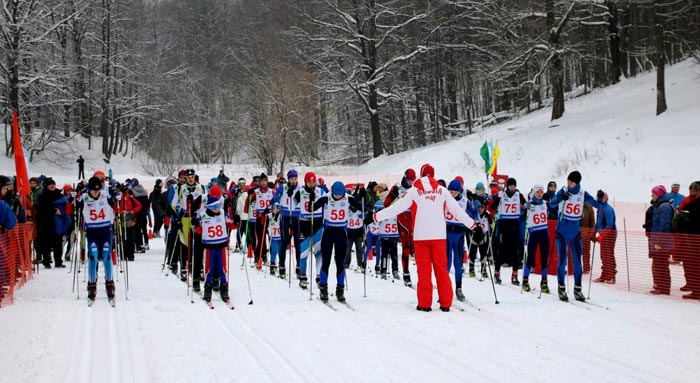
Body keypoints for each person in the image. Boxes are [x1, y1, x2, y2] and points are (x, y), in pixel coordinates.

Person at [373, 163, 476, 312]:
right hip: (439, 236)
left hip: (421, 237)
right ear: (433, 175)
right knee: (441, 270)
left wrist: (376, 216)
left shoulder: (414, 191)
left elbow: (397, 208)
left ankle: (424, 304)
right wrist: (473, 225)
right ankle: (446, 303)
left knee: (424, 271)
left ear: (421, 175)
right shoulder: (442, 190)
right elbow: (457, 211)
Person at [548, 171, 599, 302]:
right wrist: (560, 198)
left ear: (577, 183)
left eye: (571, 182)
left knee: (577, 262)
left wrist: (601, 198)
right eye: (568, 181)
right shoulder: (563, 191)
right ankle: (561, 288)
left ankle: (577, 289)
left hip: (575, 232)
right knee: (562, 261)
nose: (568, 184)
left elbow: (596, 204)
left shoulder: (582, 193)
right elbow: (552, 204)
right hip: (562, 231)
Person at [310, 181, 362, 302]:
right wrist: (311, 200)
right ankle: (323, 288)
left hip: (341, 234)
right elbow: (310, 209)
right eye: (336, 195)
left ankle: (340, 290)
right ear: (332, 191)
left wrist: (362, 197)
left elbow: (363, 207)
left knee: (340, 262)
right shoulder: (326, 197)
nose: (338, 197)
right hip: (328, 232)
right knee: (326, 261)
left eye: (341, 195)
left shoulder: (348, 198)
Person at [78, 177, 116, 304]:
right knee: (93, 256)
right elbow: (73, 205)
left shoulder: (105, 195)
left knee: (107, 256)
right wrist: (73, 197)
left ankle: (109, 283)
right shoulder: (84, 197)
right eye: (93, 190)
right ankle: (92, 284)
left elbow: (115, 203)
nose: (96, 193)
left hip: (105, 230)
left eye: (98, 190)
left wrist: (118, 198)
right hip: (92, 231)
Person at [171, 169, 206, 292]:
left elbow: (205, 203)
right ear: (185, 178)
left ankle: (200, 269)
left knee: (199, 245)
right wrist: (177, 217)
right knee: (185, 244)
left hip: (197, 218)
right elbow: (174, 204)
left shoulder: (201, 187)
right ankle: (184, 270)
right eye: (188, 177)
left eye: (192, 176)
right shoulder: (181, 188)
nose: (191, 179)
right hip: (186, 218)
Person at [489, 177, 527, 285]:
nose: (512, 188)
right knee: (501, 249)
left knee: (515, 250)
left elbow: (526, 204)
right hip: (503, 223)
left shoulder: (518, 195)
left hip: (514, 224)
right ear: (507, 186)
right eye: (510, 186)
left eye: (514, 186)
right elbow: (493, 206)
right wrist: (497, 198)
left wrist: (527, 206)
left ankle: (514, 275)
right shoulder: (502, 194)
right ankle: (497, 273)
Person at [384, 169, 416, 287]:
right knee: (406, 248)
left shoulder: (415, 188)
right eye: (408, 180)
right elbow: (386, 203)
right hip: (402, 220)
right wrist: (394, 202)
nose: (410, 183)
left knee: (417, 249)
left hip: (413, 220)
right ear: (404, 177)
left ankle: (422, 274)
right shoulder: (397, 188)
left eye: (413, 180)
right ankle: (406, 274)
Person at [196, 193, 231, 303]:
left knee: (222, 269)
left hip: (221, 246)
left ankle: (224, 290)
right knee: (209, 269)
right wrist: (194, 224)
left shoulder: (223, 214)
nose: (216, 209)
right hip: (209, 246)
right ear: (209, 207)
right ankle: (208, 290)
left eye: (218, 206)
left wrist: (237, 220)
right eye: (214, 207)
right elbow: (198, 229)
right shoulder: (203, 215)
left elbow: (232, 224)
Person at [292, 172, 325, 288]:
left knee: (319, 252)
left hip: (317, 224)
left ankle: (319, 276)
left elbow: (327, 203)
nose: (311, 184)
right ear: (305, 181)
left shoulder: (320, 192)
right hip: (305, 224)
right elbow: (293, 205)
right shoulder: (300, 192)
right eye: (309, 182)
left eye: (313, 182)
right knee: (303, 253)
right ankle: (303, 276)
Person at [445, 179, 471, 301]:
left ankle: (459, 288)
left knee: (458, 264)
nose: (452, 195)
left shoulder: (465, 202)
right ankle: (444, 289)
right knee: (446, 263)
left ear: (459, 192)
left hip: (459, 236)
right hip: (447, 235)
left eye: (454, 192)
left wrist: (477, 207)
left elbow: (474, 214)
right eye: (450, 192)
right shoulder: (445, 200)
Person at [522, 184, 550, 293]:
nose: (539, 194)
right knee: (530, 258)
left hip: (543, 233)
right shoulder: (529, 204)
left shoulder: (545, 203)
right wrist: (525, 208)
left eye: (541, 192)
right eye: (537, 192)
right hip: (533, 234)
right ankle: (525, 280)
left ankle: (544, 281)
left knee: (544, 258)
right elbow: (522, 213)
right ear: (534, 192)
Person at [648, 185, 675, 295]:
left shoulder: (665, 207)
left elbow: (663, 226)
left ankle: (664, 288)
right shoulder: (658, 205)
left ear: (658, 194)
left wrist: (659, 242)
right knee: (658, 264)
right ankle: (660, 286)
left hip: (663, 243)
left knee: (662, 265)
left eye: (653, 194)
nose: (652, 196)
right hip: (658, 240)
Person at [274, 170, 301, 278]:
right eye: (292, 178)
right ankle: (282, 267)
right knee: (284, 241)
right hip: (285, 216)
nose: (294, 180)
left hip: (297, 217)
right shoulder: (283, 187)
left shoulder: (300, 188)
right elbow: (275, 196)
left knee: (298, 242)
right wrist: (276, 203)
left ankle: (299, 267)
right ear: (288, 179)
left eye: (295, 178)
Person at [37, 178, 65, 268]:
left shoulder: (59, 195)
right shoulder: (43, 195)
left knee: (58, 242)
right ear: (46, 186)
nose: (52, 186)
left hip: (58, 223)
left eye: (53, 184)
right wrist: (53, 210)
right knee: (46, 243)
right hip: (46, 222)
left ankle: (58, 261)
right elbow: (42, 207)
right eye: (50, 184)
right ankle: (46, 260)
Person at [679, 182, 700, 299]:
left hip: (695, 237)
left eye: (695, 191)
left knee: (694, 264)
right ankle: (692, 285)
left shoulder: (696, 204)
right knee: (690, 262)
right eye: (691, 190)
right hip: (690, 236)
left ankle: (697, 291)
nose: (693, 193)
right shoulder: (689, 201)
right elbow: (682, 210)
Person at [593, 190, 617, 284]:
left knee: (608, 255)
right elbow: (599, 222)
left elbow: (610, 224)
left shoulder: (607, 209)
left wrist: (601, 235)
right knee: (603, 255)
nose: (599, 200)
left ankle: (611, 276)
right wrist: (594, 231)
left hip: (609, 234)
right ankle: (604, 275)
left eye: (600, 198)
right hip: (603, 234)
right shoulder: (600, 208)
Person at [468, 200, 492, 279]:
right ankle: (471, 269)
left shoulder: (486, 215)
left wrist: (491, 222)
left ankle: (484, 269)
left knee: (483, 253)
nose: (481, 209)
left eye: (482, 208)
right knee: (472, 253)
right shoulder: (474, 214)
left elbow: (492, 223)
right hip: (474, 236)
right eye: (479, 207)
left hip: (483, 236)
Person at [130, 178, 150, 252]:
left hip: (136, 213)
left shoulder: (132, 192)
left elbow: (133, 203)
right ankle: (146, 243)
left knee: (137, 230)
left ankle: (139, 245)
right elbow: (148, 203)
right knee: (144, 229)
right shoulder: (144, 191)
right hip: (144, 213)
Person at [268, 203, 283, 276]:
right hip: (273, 237)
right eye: (274, 208)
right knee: (274, 251)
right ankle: (272, 265)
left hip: (280, 237)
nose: (276, 210)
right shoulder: (269, 215)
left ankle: (281, 265)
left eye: (277, 209)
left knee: (280, 252)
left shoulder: (281, 216)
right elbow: (267, 224)